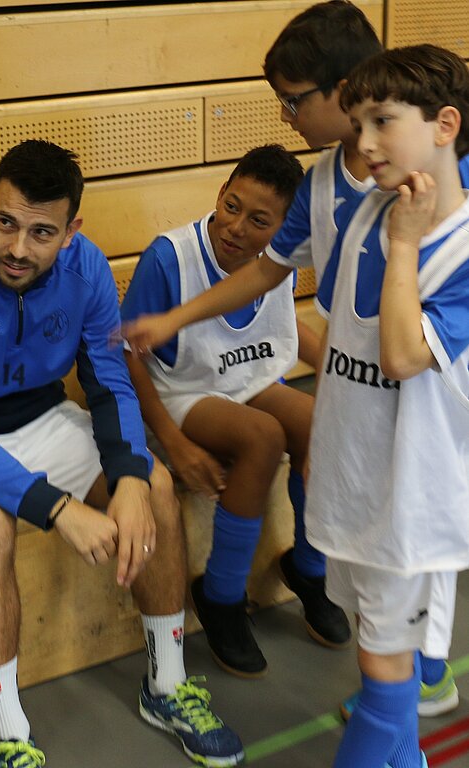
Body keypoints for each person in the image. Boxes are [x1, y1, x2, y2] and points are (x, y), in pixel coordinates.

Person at [123, 0, 467, 715]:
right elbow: (301, 293)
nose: (285, 113)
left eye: (293, 99)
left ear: (346, 90)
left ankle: (405, 686)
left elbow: (401, 349)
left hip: (419, 428)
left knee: (397, 635)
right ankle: (315, 616)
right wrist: (176, 320)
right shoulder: (338, 191)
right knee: (382, 612)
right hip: (361, 413)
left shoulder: (429, 203)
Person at [0, 139, 244, 768]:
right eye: (5, 223)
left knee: (155, 486)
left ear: (73, 230)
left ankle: (165, 686)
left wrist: (130, 474)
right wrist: (57, 509)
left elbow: (109, 381)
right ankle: (9, 733)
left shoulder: (89, 270)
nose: (18, 248)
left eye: (41, 231)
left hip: (42, 416)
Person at [120, 145, 350, 680]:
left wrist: (345, 373)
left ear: (285, 227)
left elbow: (288, 338)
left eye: (259, 221)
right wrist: (172, 444)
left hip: (242, 383)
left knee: (322, 421)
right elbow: (126, 357)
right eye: (232, 206)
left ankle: (308, 568)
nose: (236, 227)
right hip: (177, 393)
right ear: (220, 193)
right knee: (264, 437)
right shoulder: (169, 257)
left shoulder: (282, 261)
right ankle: (221, 593)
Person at [312, 44, 469, 768]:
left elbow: (403, 355)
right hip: (353, 480)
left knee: (385, 678)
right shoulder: (366, 213)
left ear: (444, 125)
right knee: (380, 669)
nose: (364, 142)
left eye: (382, 121)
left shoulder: (459, 247)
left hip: (412, 501)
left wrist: (405, 246)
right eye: (357, 122)